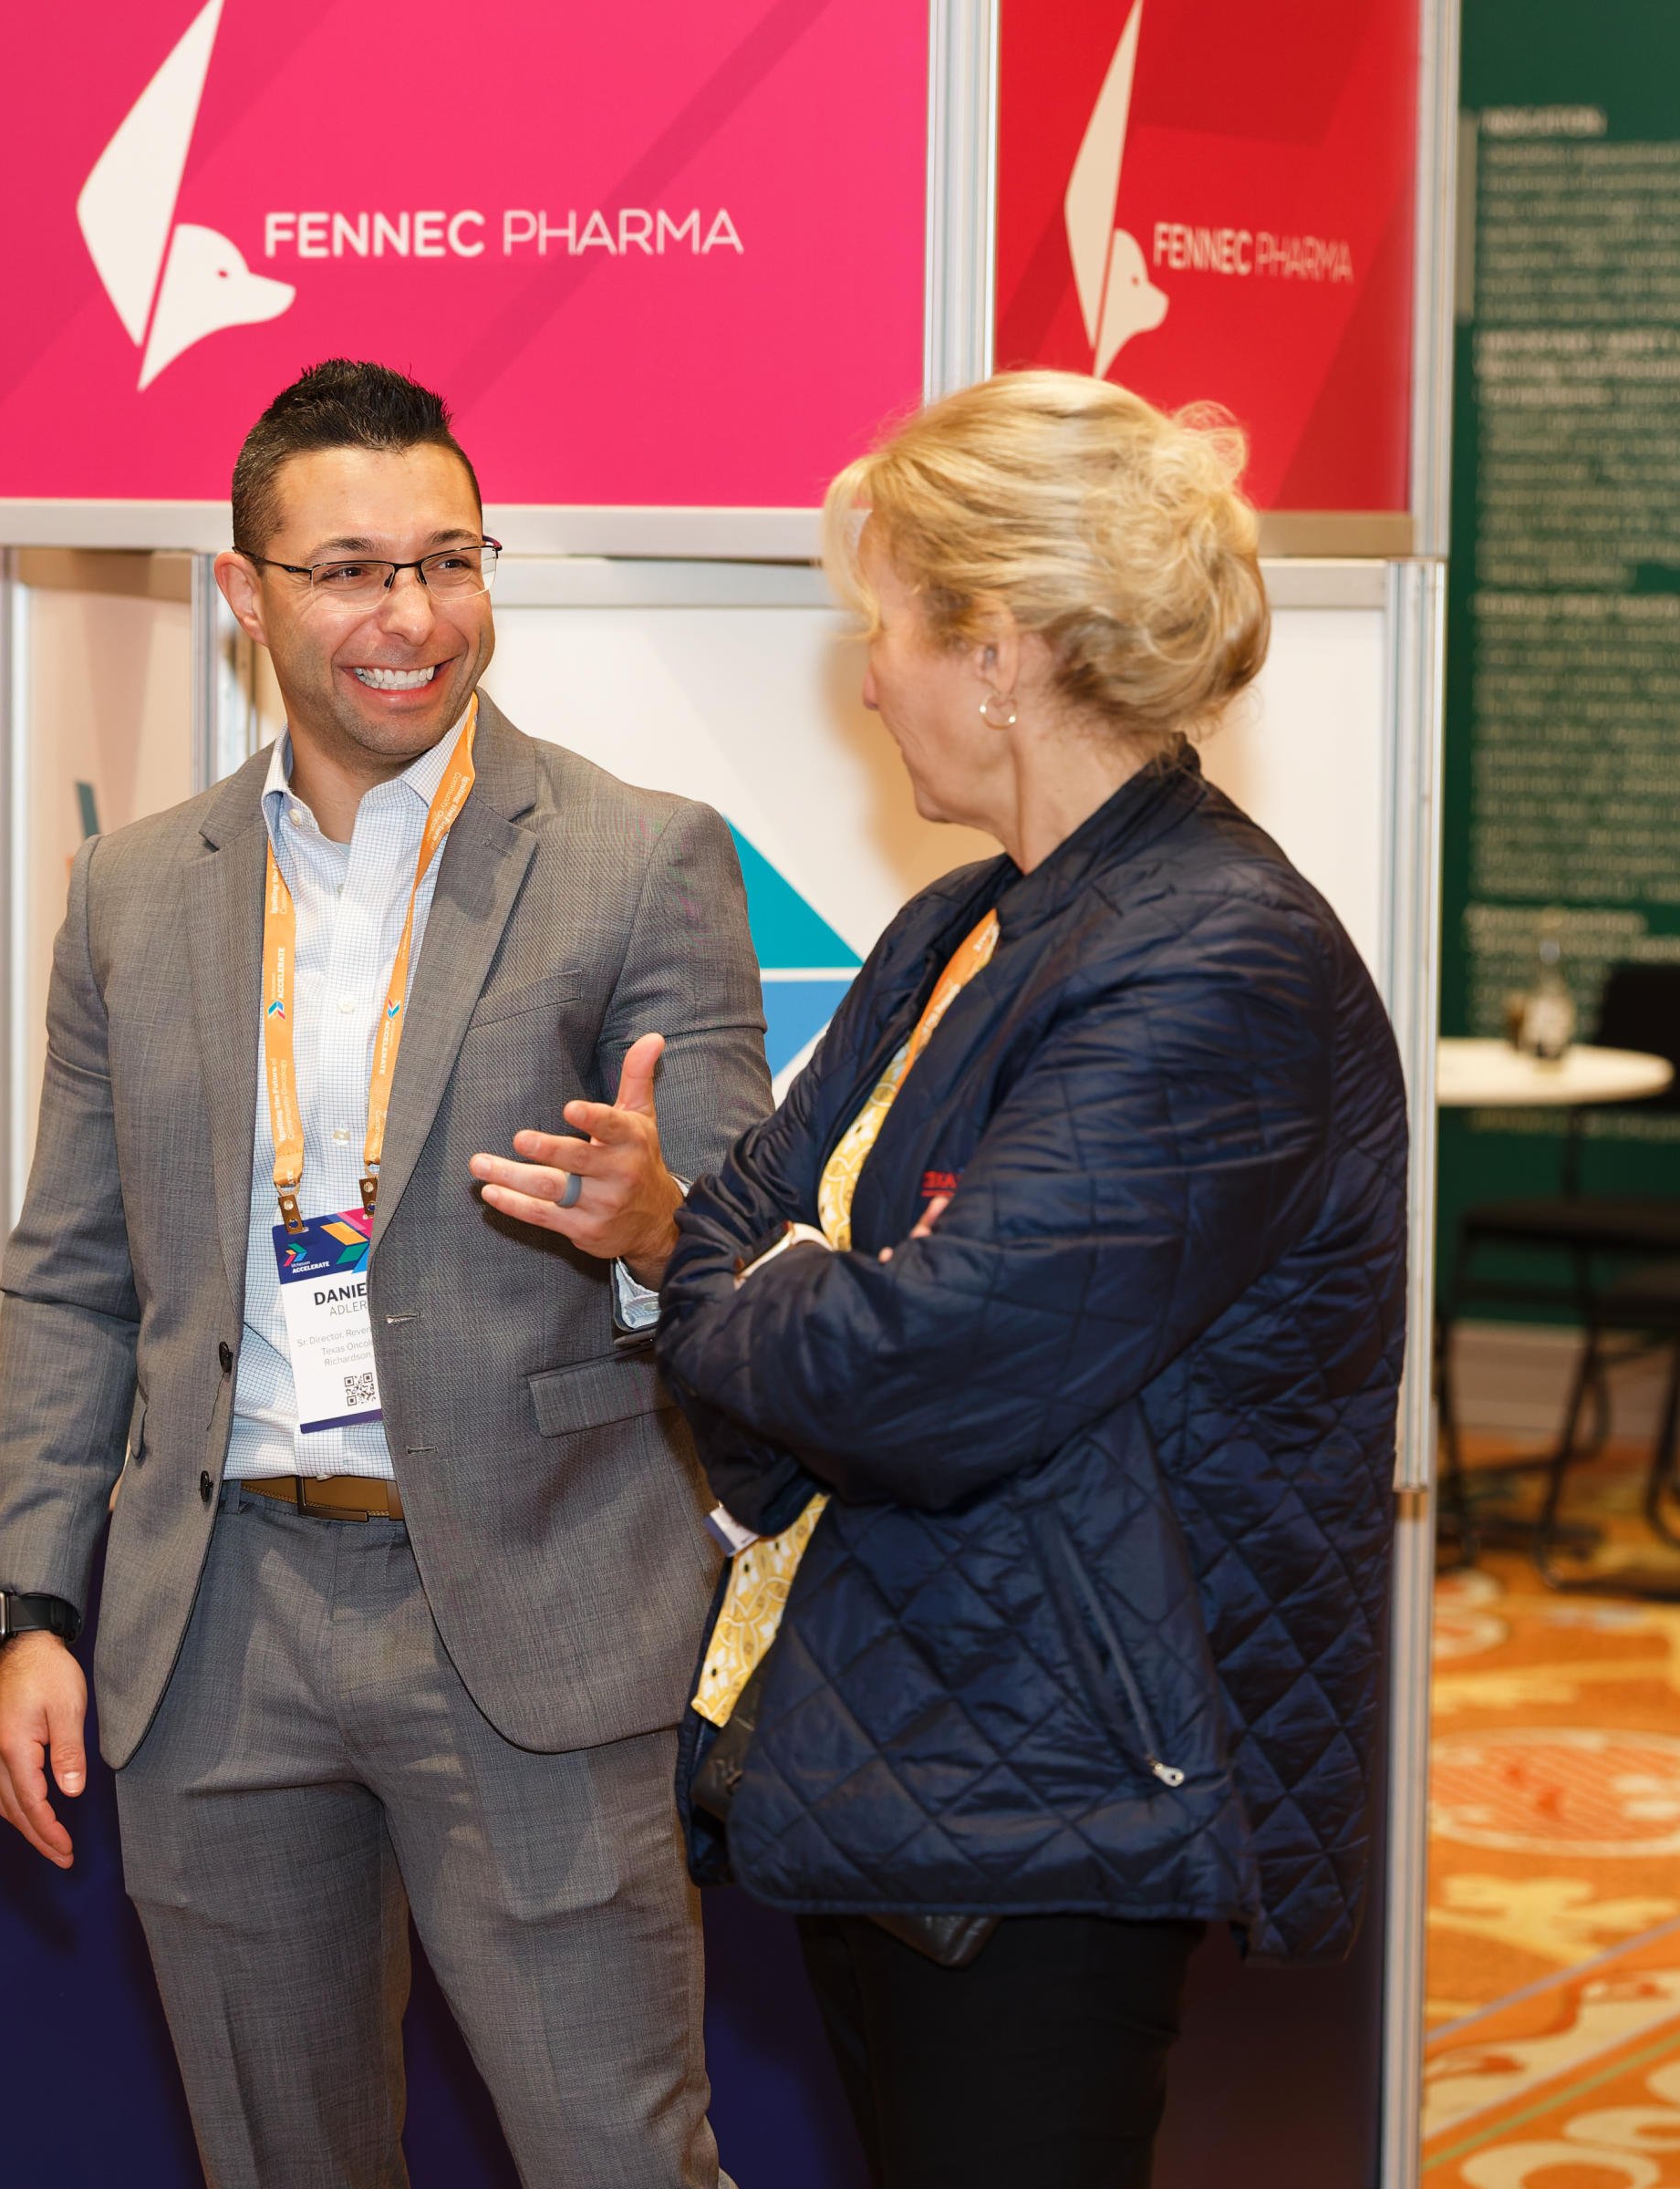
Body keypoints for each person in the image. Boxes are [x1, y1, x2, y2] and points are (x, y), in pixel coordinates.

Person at [0, 358, 768, 2189]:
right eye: (348, 569)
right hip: (216, 1618)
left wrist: (653, 1235)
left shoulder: (639, 860)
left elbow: (731, 1274)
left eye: (448, 558)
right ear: (243, 591)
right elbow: (74, 1281)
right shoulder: (131, 891)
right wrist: (34, 1608)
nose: (410, 616)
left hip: (531, 1604)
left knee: (620, 2158)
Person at [650, 372, 1408, 2189]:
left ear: (1000, 648)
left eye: (886, 627)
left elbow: (916, 1367)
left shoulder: (1217, 963)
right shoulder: (964, 919)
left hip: (1056, 1794)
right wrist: (790, 1294)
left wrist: (796, 1301)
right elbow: (719, 1240)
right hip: (925, 1746)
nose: (866, 677)